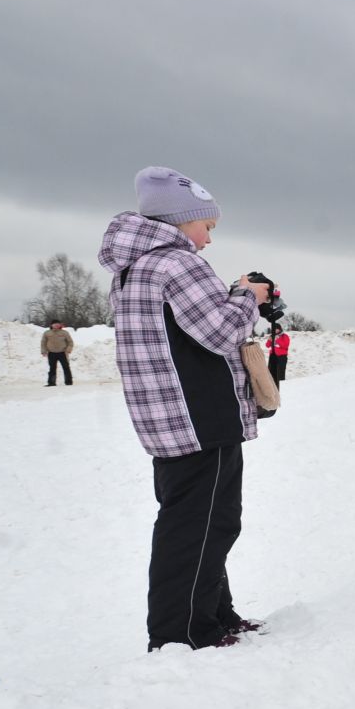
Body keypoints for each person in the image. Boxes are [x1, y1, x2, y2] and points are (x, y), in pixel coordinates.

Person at [97, 166, 271, 652]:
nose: (209, 240)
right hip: (200, 416)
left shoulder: (132, 269)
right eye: (207, 227)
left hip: (168, 419)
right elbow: (222, 332)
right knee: (204, 524)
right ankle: (184, 633)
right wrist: (246, 296)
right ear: (179, 220)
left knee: (195, 520)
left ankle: (214, 614)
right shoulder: (177, 263)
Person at [41, 320, 75, 386]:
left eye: (58, 324)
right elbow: (43, 343)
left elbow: (70, 342)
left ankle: (68, 382)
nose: (56, 325)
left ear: (60, 325)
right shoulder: (47, 333)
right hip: (51, 353)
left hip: (62, 353)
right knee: (52, 368)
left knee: (66, 367)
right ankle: (51, 383)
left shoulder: (64, 333)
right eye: (54, 324)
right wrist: (43, 351)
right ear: (51, 325)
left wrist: (68, 350)